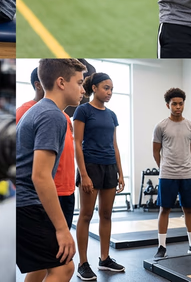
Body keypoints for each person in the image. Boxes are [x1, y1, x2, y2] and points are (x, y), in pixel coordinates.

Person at [16, 58, 87, 282]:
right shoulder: (52, 115)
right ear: (61, 83)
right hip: (27, 204)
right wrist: (62, 229)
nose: (83, 90)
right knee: (63, 268)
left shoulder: (42, 111)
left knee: (41, 267)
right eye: (79, 82)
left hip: (22, 203)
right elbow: (40, 175)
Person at [73, 73, 126, 280]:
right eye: (106, 88)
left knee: (106, 214)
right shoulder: (83, 110)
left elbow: (115, 145)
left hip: (109, 167)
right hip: (91, 166)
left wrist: (121, 172)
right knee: (86, 215)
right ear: (94, 88)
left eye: (111, 89)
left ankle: (104, 259)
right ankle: (83, 263)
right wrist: (84, 174)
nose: (110, 92)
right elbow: (77, 143)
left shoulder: (112, 115)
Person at [17, 66, 78, 229]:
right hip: (47, 192)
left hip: (67, 189)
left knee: (63, 247)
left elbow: (68, 149)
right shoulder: (25, 111)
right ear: (40, 84)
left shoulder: (64, 116)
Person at [152, 88, 191, 258]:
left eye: (181, 104)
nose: (178, 107)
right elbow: (156, 151)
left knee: (189, 209)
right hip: (167, 175)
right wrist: (164, 167)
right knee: (164, 209)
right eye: (174, 104)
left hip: (187, 175)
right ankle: (161, 247)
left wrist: (184, 164)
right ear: (168, 105)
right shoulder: (161, 126)